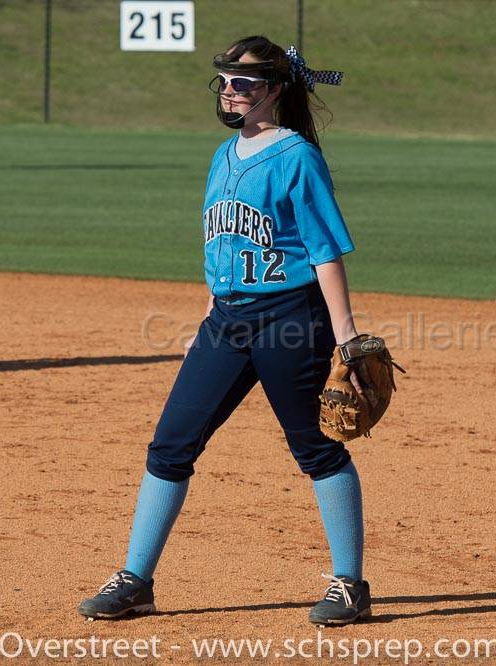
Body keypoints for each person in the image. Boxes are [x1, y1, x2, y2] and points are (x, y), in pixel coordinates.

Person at [78, 35, 372, 626]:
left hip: (290, 318)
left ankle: (350, 585)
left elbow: (324, 252)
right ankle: (136, 579)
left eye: (245, 83)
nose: (231, 91)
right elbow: (222, 244)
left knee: (315, 448)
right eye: (227, 82)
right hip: (226, 323)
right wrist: (205, 317)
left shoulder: (296, 157)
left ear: (275, 89)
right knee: (170, 444)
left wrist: (347, 336)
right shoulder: (222, 155)